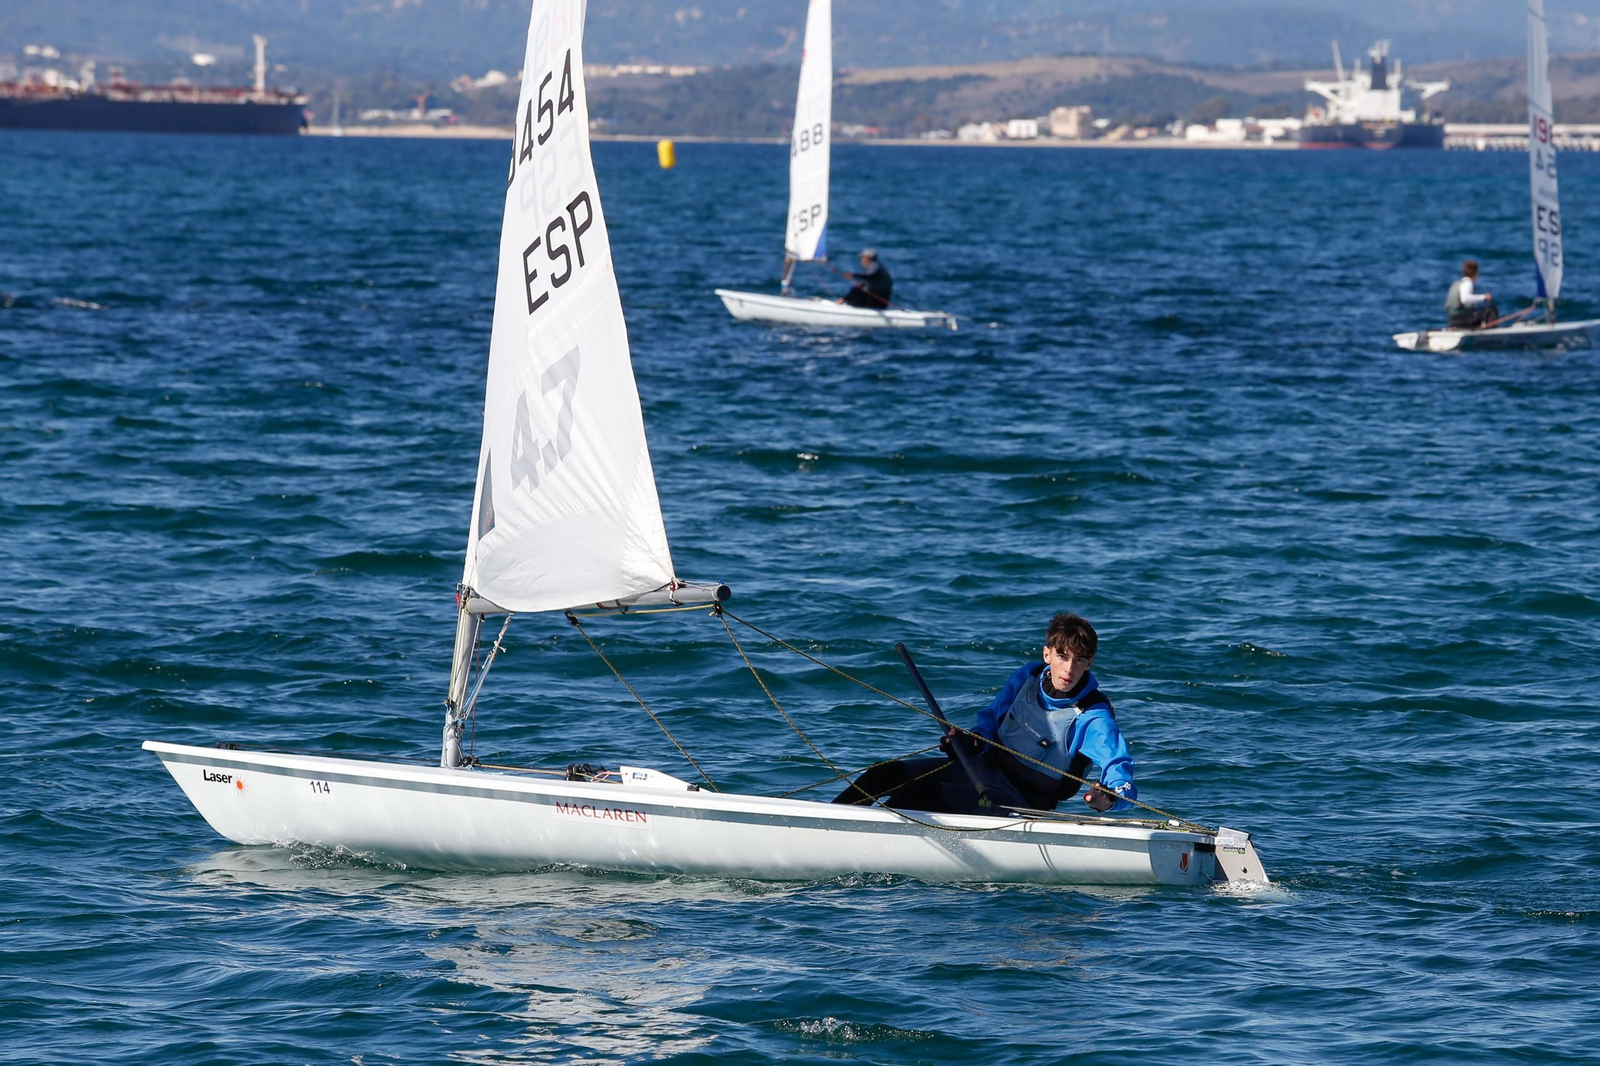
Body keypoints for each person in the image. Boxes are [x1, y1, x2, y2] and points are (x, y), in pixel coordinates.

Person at [833, 613, 1138, 816]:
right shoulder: (1027, 678)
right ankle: (818, 828)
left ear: (1090, 663)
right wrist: (970, 742)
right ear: (1047, 654)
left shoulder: (1092, 715)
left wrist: (1108, 800)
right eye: (1062, 657)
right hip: (980, 772)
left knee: (916, 795)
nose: (1069, 669)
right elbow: (990, 723)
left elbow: (1118, 767)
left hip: (1019, 803)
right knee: (882, 774)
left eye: (1079, 660)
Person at [1445, 260, 1499, 330]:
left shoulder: (1457, 284)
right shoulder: (1468, 283)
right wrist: (1484, 297)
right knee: (1491, 309)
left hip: (1452, 319)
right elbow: (1465, 299)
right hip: (1461, 318)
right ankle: (1489, 332)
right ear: (1476, 273)